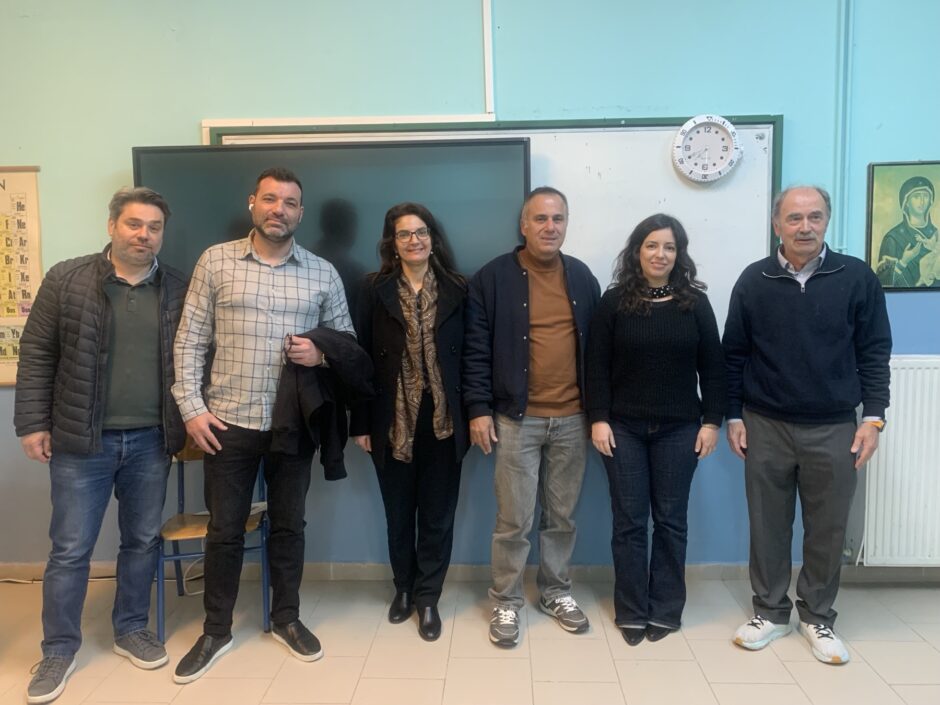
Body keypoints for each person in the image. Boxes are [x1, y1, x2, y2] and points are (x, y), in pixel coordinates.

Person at [171, 167, 354, 683]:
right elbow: (190, 339)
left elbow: (347, 342)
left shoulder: (323, 273)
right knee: (224, 530)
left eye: (290, 203)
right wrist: (191, 408)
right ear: (252, 202)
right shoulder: (215, 261)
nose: (279, 209)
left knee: (290, 525)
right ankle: (216, 630)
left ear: (301, 213)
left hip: (293, 424)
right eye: (270, 199)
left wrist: (320, 354)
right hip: (226, 423)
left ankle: (286, 618)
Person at [14, 187, 188, 704]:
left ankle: (131, 628)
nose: (144, 235)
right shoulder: (66, 279)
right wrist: (31, 423)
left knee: (142, 540)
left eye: (154, 227)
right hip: (81, 441)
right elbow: (37, 353)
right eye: (134, 224)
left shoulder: (177, 287)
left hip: (151, 441)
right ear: (112, 225)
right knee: (71, 549)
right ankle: (58, 650)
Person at [724, 186, 892, 664]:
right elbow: (733, 353)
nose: (805, 227)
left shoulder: (856, 277)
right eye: (794, 218)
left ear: (826, 221)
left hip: (835, 426)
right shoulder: (754, 279)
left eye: (814, 217)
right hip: (765, 423)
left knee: (828, 527)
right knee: (767, 525)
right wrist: (734, 414)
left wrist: (874, 418)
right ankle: (770, 613)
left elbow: (874, 350)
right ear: (777, 224)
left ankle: (817, 616)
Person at [464, 186, 601, 648]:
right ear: (523, 225)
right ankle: (506, 600)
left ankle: (555, 592)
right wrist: (478, 409)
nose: (549, 227)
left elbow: (597, 351)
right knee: (514, 520)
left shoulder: (581, 276)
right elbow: (475, 350)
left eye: (558, 218)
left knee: (561, 518)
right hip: (515, 420)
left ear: (566, 224)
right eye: (540, 218)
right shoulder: (492, 278)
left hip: (573, 419)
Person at [585, 214, 726, 646]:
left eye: (669, 247)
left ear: (679, 254)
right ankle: (631, 609)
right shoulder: (613, 302)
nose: (660, 254)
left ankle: (665, 609)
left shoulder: (695, 303)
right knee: (629, 522)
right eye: (651, 245)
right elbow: (595, 365)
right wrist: (598, 418)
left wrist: (712, 422)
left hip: (679, 430)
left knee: (670, 521)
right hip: (622, 429)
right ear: (637, 252)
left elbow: (713, 367)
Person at [350, 202, 468, 641]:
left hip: (444, 421)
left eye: (421, 232)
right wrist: (361, 423)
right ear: (392, 242)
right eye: (404, 234)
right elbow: (360, 357)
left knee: (437, 516)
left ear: (433, 238)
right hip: (391, 420)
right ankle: (403, 588)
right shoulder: (373, 289)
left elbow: (472, 355)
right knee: (398, 514)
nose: (414, 240)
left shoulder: (458, 288)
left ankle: (428, 597)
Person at [876, 175, 936, 287]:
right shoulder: (893, 238)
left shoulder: (936, 234)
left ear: (930, 201)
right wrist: (903, 261)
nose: (922, 201)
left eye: (925, 196)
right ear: (906, 202)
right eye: (916, 196)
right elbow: (883, 283)